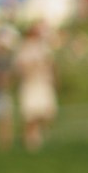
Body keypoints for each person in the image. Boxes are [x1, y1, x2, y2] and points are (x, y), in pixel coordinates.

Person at [15, 24, 57, 152]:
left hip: (43, 84)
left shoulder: (43, 47)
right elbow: (21, 67)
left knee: (46, 113)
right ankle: (30, 140)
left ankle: (36, 135)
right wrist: (33, 67)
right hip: (30, 85)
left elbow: (51, 64)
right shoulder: (24, 48)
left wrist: (53, 78)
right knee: (30, 115)